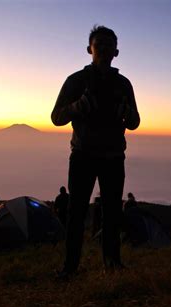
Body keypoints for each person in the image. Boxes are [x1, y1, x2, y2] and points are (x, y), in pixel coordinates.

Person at [51, 25, 140, 279]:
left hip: (113, 157)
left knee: (112, 213)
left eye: (108, 44)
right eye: (98, 44)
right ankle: (70, 267)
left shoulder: (124, 84)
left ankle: (111, 264)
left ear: (117, 51)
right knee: (76, 213)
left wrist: (128, 113)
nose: (103, 48)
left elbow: (134, 122)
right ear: (89, 49)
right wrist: (78, 107)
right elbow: (56, 117)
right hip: (83, 156)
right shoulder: (75, 81)